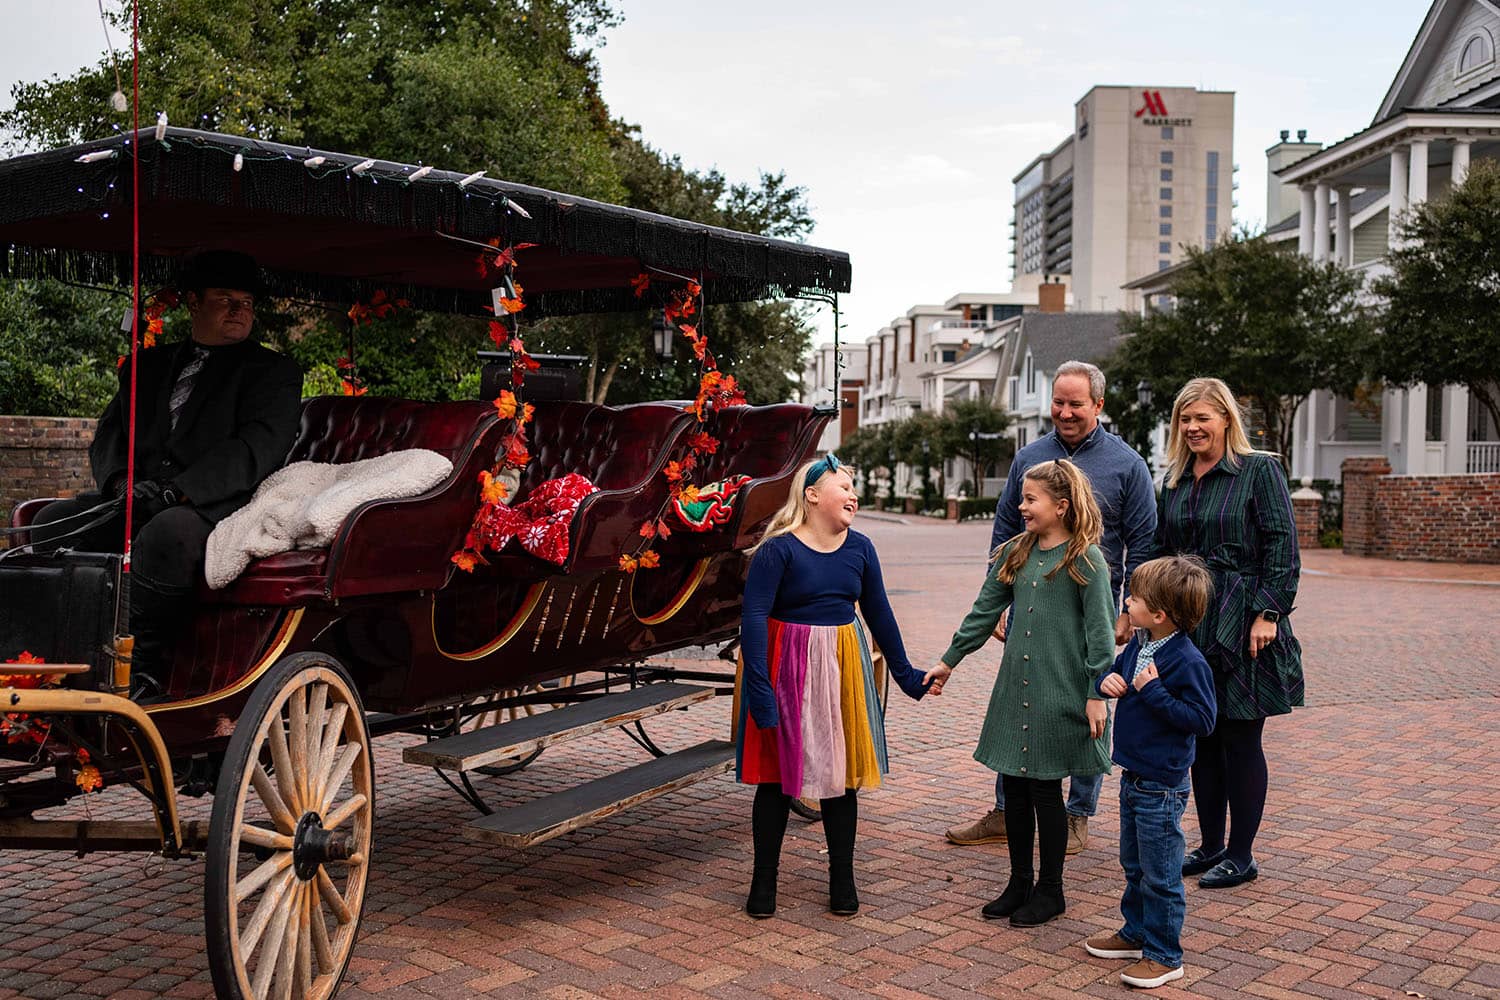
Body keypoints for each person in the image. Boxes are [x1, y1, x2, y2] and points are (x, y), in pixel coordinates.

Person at [30, 251, 303, 698]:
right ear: (194, 303)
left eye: (247, 302)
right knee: (50, 523)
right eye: (225, 299)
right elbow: (110, 434)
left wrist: (178, 491)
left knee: (167, 534)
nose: (240, 311)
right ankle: (54, 655)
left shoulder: (274, 372)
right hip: (135, 493)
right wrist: (120, 484)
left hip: (214, 503)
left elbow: (257, 447)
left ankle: (144, 671)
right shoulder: (146, 366)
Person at [947, 360, 1156, 855]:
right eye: (1057, 402)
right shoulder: (1029, 458)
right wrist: (996, 596)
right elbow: (1005, 532)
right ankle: (1006, 809)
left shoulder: (1128, 464)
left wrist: (1128, 611)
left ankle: (1077, 814)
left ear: (1098, 405)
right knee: (1023, 695)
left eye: (1074, 404)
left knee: (1089, 699)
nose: (1063, 412)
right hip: (1032, 597)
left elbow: (1144, 543)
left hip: (1095, 604)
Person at [737, 454, 944, 919]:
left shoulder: (861, 548)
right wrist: (761, 691)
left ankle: (842, 879)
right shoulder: (778, 549)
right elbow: (752, 619)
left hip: (841, 667)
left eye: (854, 487)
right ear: (812, 495)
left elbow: (880, 614)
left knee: (840, 777)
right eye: (844, 486)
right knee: (774, 778)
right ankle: (763, 879)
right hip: (785, 667)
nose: (853, 495)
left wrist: (906, 676)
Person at [929, 459, 1115, 927]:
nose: (1022, 506)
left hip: (1062, 690)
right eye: (1023, 498)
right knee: (1013, 784)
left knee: (1046, 790)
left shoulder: (1086, 559)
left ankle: (1051, 890)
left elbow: (1101, 635)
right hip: (1017, 688)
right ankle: (1018, 883)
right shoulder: (1015, 552)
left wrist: (1097, 692)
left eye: (1031, 500)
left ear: (1062, 506)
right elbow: (982, 612)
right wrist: (949, 660)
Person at [1155, 377, 1303, 890]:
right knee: (1204, 737)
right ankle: (1211, 845)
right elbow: (1160, 550)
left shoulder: (1259, 470)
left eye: (1203, 418)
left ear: (1225, 420)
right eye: (1185, 419)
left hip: (1244, 624)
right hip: (1192, 624)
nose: (1193, 427)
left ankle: (1242, 855)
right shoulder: (1173, 479)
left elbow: (1283, 544)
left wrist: (1270, 612)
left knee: (1241, 739)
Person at [1086, 555, 1216, 990]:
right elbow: (1116, 674)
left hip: (1162, 784)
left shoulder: (1186, 660)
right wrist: (1108, 681)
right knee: (1134, 864)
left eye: (1135, 597)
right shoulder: (1141, 644)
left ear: (1159, 614)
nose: (1127, 599)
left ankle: (1164, 954)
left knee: (1161, 872)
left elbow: (1202, 719)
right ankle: (1135, 931)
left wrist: (1153, 690)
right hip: (1134, 776)